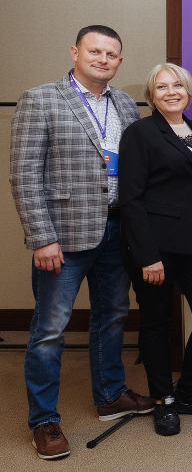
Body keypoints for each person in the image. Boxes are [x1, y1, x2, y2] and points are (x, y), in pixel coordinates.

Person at [9, 25, 154, 460]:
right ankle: (43, 420)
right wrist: (42, 237)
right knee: (50, 330)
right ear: (75, 52)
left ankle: (110, 395)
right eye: (95, 51)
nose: (103, 59)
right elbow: (24, 174)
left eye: (111, 54)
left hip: (116, 232)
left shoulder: (125, 104)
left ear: (119, 61)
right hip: (63, 237)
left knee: (112, 317)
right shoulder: (40, 99)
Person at [119, 63, 192, 436]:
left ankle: (188, 388)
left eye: (177, 85)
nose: (171, 92)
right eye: (162, 87)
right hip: (156, 246)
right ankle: (163, 399)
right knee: (157, 322)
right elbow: (131, 199)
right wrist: (147, 255)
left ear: (188, 91)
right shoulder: (140, 133)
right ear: (152, 95)